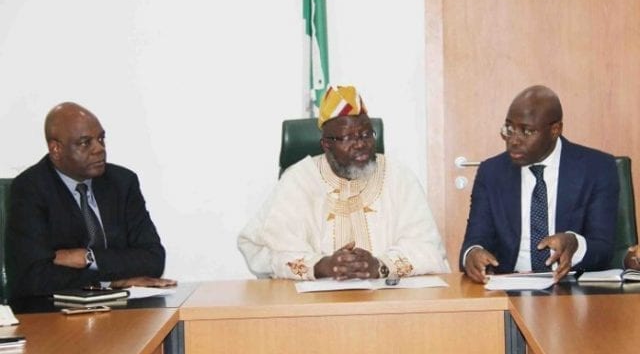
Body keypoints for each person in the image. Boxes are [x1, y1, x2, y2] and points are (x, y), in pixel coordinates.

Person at [238, 85, 450, 280]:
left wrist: (380, 266)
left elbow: (427, 248)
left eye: (366, 134)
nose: (360, 144)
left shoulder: (399, 177)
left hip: (388, 304)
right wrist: (322, 266)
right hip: (315, 307)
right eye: (348, 137)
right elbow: (265, 248)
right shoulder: (299, 180)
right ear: (326, 145)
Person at [7, 102, 176, 297]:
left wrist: (88, 257)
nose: (99, 149)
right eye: (85, 142)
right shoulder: (30, 188)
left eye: (101, 138)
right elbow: (34, 276)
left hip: (123, 311)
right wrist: (112, 281)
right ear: (56, 149)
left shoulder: (122, 182)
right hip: (55, 315)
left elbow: (153, 260)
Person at [460, 85, 622, 283]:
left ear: (555, 130)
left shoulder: (597, 168)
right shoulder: (491, 172)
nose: (513, 140)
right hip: (509, 286)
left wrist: (574, 243)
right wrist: (472, 255)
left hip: (572, 288)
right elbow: (475, 239)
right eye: (509, 129)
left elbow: (603, 249)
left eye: (527, 132)